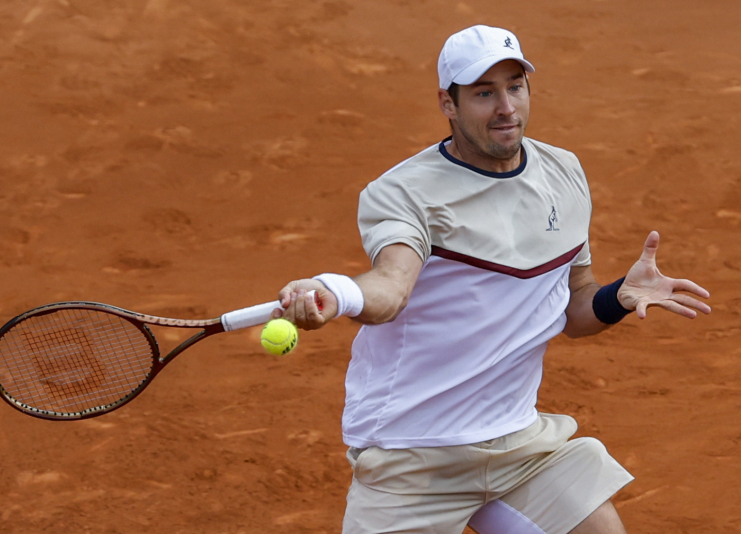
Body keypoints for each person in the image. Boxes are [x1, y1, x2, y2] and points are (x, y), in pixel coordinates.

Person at [272, 25, 711, 534]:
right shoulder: (404, 192)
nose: (506, 107)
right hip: (415, 454)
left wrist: (618, 297)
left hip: (520, 447)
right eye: (484, 93)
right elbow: (390, 288)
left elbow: (575, 306)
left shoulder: (563, 173)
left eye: (515, 87)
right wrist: (337, 292)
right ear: (448, 103)